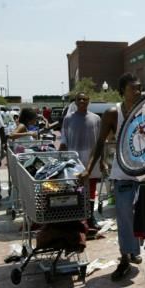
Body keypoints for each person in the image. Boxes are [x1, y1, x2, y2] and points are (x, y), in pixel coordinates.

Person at [81, 73, 145, 281]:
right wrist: (89, 169)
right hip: (122, 173)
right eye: (133, 88)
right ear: (122, 92)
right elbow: (100, 143)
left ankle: (141, 253)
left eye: (140, 88)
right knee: (125, 216)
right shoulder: (112, 113)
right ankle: (125, 258)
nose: (138, 92)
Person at [59, 92, 102, 231]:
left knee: (91, 188)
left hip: (92, 158)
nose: (82, 101)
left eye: (85, 98)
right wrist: (61, 157)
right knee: (77, 189)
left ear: (89, 100)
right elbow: (64, 139)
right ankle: (78, 218)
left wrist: (103, 160)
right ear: (75, 102)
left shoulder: (96, 119)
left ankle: (90, 217)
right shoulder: (68, 119)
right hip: (75, 158)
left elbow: (101, 142)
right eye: (79, 99)